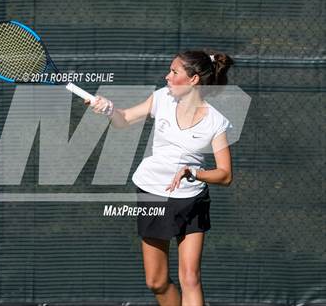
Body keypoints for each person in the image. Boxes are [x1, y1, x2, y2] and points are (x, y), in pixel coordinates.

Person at [88, 50, 234, 306]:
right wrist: (109, 109)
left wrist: (194, 173)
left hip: (191, 199)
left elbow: (225, 174)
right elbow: (124, 120)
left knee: (190, 278)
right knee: (156, 281)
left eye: (174, 72)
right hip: (153, 193)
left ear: (193, 80)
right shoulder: (161, 98)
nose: (167, 76)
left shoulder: (216, 122)